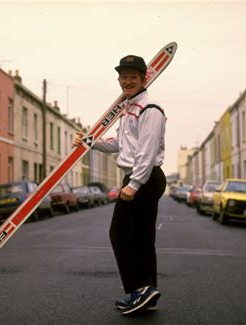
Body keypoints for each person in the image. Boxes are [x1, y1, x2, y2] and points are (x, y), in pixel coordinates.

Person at [72, 55, 167, 316]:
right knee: (142, 239)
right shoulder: (129, 108)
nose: (127, 81)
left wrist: (134, 184)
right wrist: (91, 142)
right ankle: (147, 294)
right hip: (141, 177)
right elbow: (121, 144)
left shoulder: (151, 108)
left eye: (133, 76)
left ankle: (140, 289)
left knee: (121, 235)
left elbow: (146, 151)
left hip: (143, 178)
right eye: (123, 77)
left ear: (144, 78)